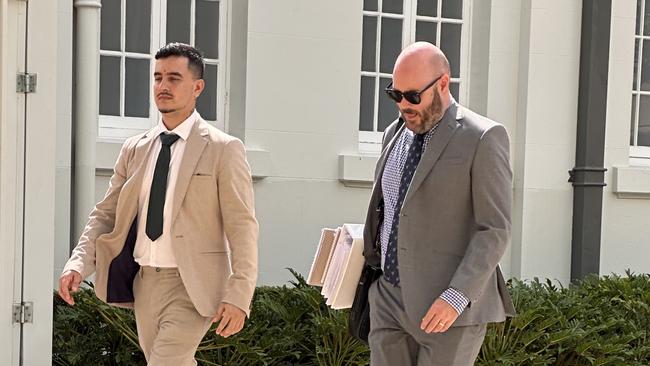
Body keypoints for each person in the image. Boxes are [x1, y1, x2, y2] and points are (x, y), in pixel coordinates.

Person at [58, 43, 258, 366]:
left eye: (174, 78)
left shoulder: (224, 149)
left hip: (191, 286)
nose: (163, 86)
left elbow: (243, 227)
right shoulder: (135, 148)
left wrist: (240, 294)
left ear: (197, 87)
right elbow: (105, 213)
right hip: (145, 285)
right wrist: (79, 263)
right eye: (158, 77)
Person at [362, 41, 516, 365]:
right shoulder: (393, 133)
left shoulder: (483, 138)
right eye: (396, 95)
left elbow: (495, 229)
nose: (404, 105)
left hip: (449, 310)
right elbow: (391, 210)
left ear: (443, 83)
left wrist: (456, 296)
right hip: (389, 299)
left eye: (413, 96)